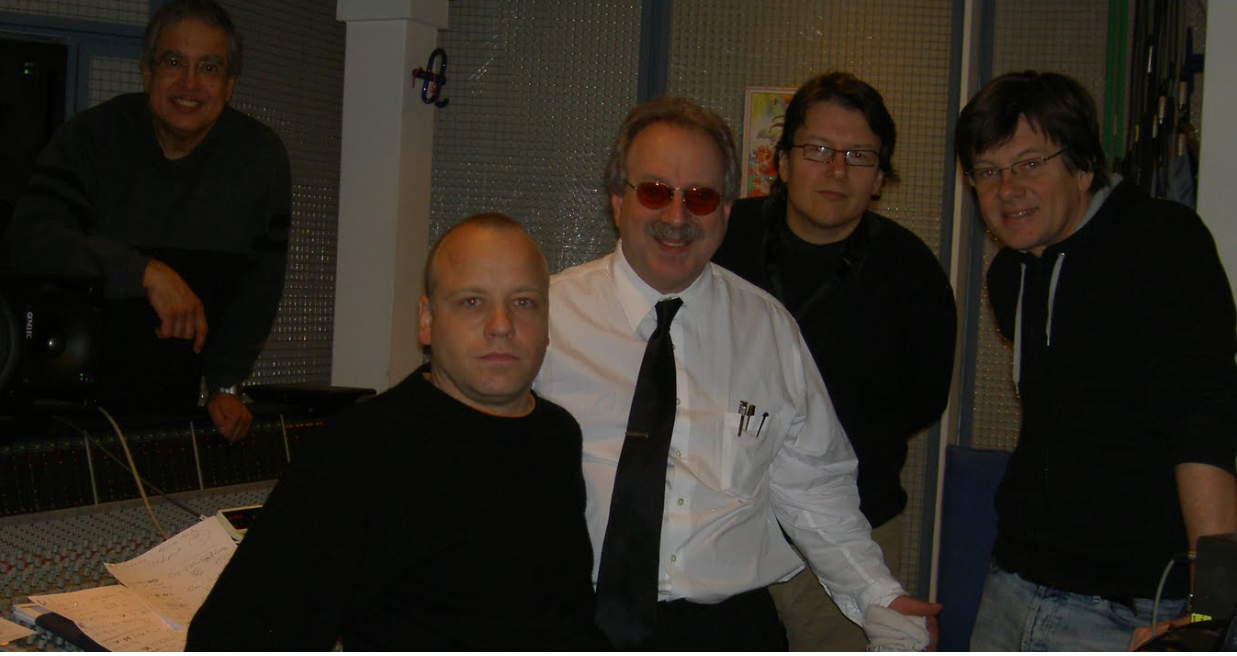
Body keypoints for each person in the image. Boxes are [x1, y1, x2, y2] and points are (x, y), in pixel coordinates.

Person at [534, 96, 940, 651]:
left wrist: (879, 595)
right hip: (576, 620)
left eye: (700, 198)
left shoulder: (768, 330)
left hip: (726, 629)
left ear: (726, 211)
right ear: (617, 200)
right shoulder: (544, 321)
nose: (677, 217)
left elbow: (814, 487)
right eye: (655, 191)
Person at [186, 214, 608, 650]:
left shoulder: (556, 434)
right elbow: (233, 636)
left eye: (523, 302)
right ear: (426, 320)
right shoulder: (360, 450)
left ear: (546, 324)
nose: (501, 324)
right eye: (471, 301)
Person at [955, 70, 1237, 651]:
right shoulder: (1010, 275)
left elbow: (1203, 419)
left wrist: (1213, 614)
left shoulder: (1162, 243)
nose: (1007, 189)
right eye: (988, 171)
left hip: (1123, 610)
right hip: (1012, 583)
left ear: (1082, 168)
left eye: (1030, 163)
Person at [713, 72, 956, 651]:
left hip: (852, 529)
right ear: (782, 161)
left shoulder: (911, 272)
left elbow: (924, 399)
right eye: (818, 149)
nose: (837, 170)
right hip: (720, 526)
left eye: (859, 156)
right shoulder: (719, 238)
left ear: (881, 177)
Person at [6, 0, 289, 441]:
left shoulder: (258, 160)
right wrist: (144, 273)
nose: (190, 83)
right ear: (147, 72)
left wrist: (225, 384)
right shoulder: (90, 139)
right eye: (173, 62)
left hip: (169, 411)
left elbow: (258, 289)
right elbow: (29, 241)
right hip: (56, 413)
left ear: (230, 84)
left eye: (209, 68)